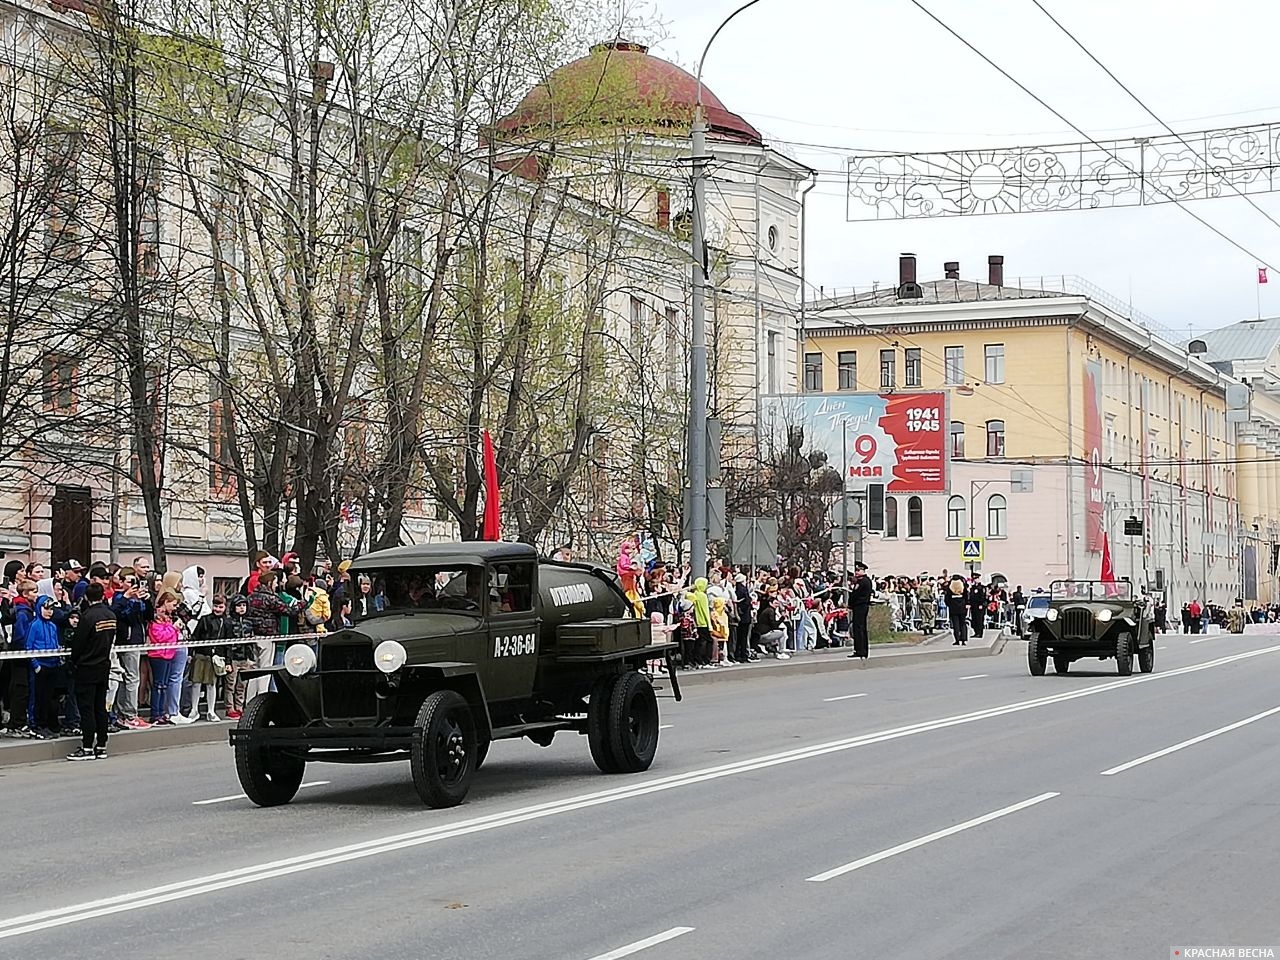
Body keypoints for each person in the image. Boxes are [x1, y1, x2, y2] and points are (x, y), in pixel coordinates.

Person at [66, 582, 116, 760]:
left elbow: (78, 644)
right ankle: (101, 745)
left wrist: (73, 660)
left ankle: (87, 747)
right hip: (103, 665)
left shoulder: (87, 617)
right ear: (103, 596)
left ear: (86, 597)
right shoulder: (110, 615)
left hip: (87, 667)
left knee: (86, 709)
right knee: (100, 707)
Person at [146, 591, 182, 725]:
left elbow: (172, 637)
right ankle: (155, 713)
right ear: (165, 603)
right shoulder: (155, 619)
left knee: (164, 685)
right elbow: (159, 637)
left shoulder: (168, 618)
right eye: (172, 605)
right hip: (158, 655)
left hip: (169, 654)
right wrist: (173, 628)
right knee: (158, 685)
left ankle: (162, 712)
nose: (174, 608)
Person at [847, 562, 872, 660]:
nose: (856, 572)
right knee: (860, 628)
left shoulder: (863, 581)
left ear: (863, 571)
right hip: (860, 606)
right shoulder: (861, 581)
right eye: (856, 570)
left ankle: (860, 650)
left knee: (859, 628)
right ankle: (862, 650)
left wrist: (851, 603)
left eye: (858, 570)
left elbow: (855, 595)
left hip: (860, 606)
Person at [946, 575, 969, 645]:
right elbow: (966, 596)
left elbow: (947, 598)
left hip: (953, 606)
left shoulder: (950, 587)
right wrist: (966, 603)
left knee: (955, 624)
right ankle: (963, 639)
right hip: (962, 605)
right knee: (963, 623)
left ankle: (957, 640)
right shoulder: (962, 586)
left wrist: (949, 604)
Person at [968, 575, 988, 640]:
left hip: (979, 606)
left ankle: (979, 633)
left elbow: (982, 597)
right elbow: (971, 597)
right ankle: (976, 632)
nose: (975, 580)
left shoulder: (981, 587)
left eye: (976, 579)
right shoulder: (973, 588)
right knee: (974, 620)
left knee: (979, 619)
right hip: (973, 606)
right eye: (974, 579)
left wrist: (981, 604)